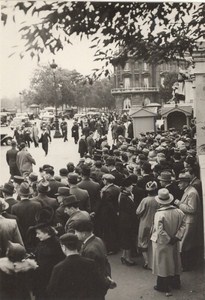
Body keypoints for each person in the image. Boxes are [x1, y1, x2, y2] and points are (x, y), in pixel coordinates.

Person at [47, 233, 109, 300]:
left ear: (64, 247)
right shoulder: (91, 263)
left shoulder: (58, 268)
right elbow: (100, 284)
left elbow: (51, 291)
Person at [151, 188, 186, 295]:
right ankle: (176, 282)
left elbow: (160, 230)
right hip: (175, 241)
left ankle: (163, 285)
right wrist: (176, 237)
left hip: (162, 243)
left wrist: (168, 239)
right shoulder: (179, 211)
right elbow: (184, 225)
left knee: (163, 263)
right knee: (175, 260)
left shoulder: (159, 214)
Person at [74, 220, 116, 298]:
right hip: (101, 283)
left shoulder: (90, 250)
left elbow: (90, 273)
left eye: (76, 232)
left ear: (84, 234)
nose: (75, 234)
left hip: (94, 288)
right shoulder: (98, 239)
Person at [174, 173, 203, 271]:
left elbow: (192, 209)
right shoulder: (189, 191)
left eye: (180, 183)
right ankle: (186, 265)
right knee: (186, 244)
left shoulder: (192, 193)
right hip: (187, 220)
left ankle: (186, 265)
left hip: (189, 221)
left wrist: (179, 204)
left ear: (186, 183)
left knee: (185, 245)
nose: (178, 185)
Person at [32, 224, 65, 300]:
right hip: (43, 279)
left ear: (47, 233)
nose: (37, 236)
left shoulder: (57, 244)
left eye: (39, 233)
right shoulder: (43, 243)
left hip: (49, 280)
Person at [94, 174, 120, 255]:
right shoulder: (117, 188)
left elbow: (105, 203)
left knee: (108, 232)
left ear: (106, 180)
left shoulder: (106, 191)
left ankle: (110, 248)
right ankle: (116, 247)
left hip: (107, 214)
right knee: (114, 230)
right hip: (115, 213)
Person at [136, 181, 159, 269]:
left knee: (143, 242)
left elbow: (138, 212)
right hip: (156, 223)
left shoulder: (145, 200)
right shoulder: (159, 199)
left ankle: (147, 262)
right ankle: (154, 261)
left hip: (145, 223)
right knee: (153, 242)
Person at [11, 182, 42, 247]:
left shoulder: (14, 207)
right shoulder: (37, 205)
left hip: (22, 236)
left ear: (19, 194)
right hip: (36, 234)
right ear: (29, 194)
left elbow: (15, 224)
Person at [118, 176, 137, 266]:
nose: (132, 187)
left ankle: (124, 256)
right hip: (127, 222)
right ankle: (128, 259)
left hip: (124, 220)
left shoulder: (123, 195)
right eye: (130, 186)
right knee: (128, 239)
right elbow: (130, 210)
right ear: (125, 187)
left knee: (125, 239)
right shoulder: (125, 197)